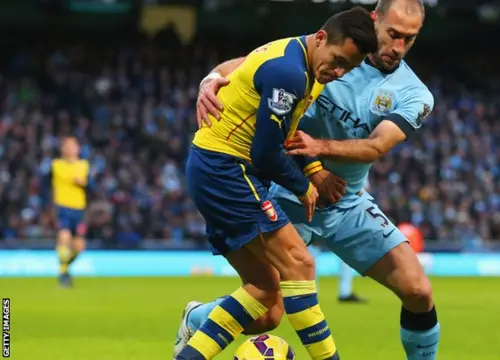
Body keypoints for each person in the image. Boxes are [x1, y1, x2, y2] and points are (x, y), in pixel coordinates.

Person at [183, 1, 440, 359]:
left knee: (418, 290)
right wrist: (210, 79)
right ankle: (197, 317)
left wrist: (320, 147)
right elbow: (248, 64)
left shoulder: (414, 93)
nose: (398, 47)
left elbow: (379, 143)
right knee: (267, 311)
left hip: (344, 200)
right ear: (374, 20)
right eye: (393, 34)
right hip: (288, 190)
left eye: (409, 40)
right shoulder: (327, 50)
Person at [51, 136, 90, 288]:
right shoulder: (56, 165)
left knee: (79, 247)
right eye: (67, 146)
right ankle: (63, 274)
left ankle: (65, 269)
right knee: (64, 237)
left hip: (79, 209)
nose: (70, 148)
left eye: (73, 145)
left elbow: (85, 182)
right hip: (63, 207)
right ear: (62, 149)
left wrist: (82, 182)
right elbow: (71, 179)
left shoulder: (84, 165)